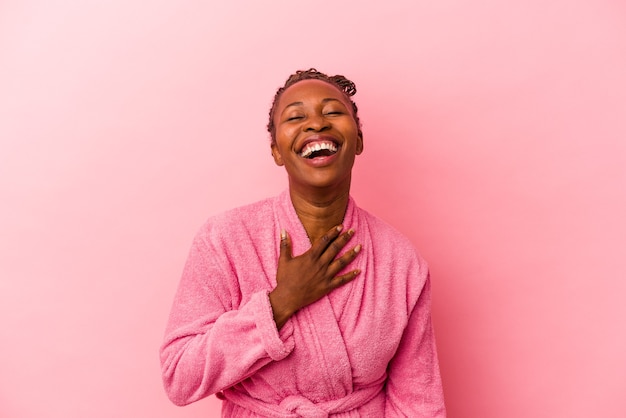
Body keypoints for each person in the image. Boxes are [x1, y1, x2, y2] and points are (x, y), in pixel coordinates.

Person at [160, 68, 446, 417]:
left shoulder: (401, 262)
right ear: (277, 150)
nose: (316, 124)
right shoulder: (225, 239)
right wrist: (279, 304)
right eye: (296, 117)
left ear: (357, 140)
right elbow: (179, 376)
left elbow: (418, 403)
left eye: (333, 112)